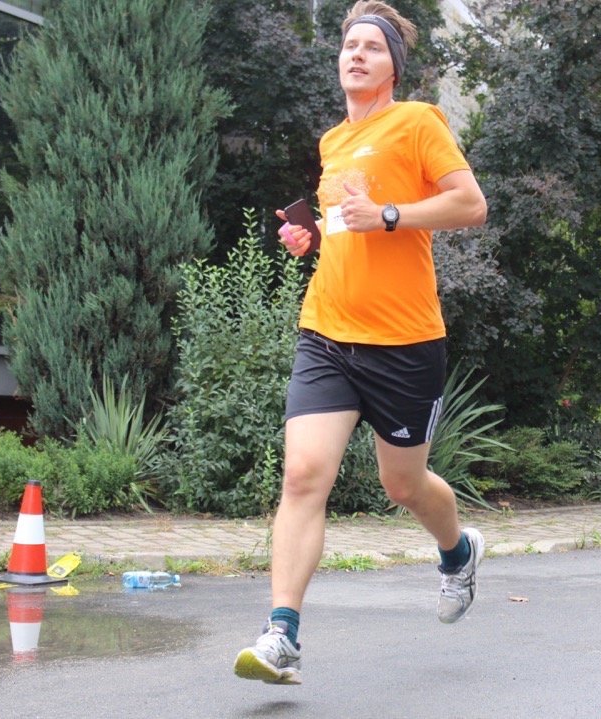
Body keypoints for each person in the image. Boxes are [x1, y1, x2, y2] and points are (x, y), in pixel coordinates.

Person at [234, 1, 488, 685]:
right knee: (301, 475)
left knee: (401, 483)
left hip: (404, 342)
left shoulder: (418, 122)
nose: (357, 54)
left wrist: (391, 214)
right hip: (327, 333)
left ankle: (458, 551)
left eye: (372, 47)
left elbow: (470, 204)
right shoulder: (332, 142)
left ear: (392, 67)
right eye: (350, 45)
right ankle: (281, 633)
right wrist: (313, 235)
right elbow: (348, 225)